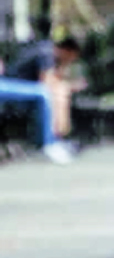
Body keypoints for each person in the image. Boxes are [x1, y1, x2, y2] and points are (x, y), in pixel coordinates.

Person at [0, 36, 80, 164]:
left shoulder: (45, 49)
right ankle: (49, 144)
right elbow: (47, 81)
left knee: (55, 92)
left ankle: (57, 139)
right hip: (9, 87)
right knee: (46, 93)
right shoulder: (46, 52)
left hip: (14, 87)